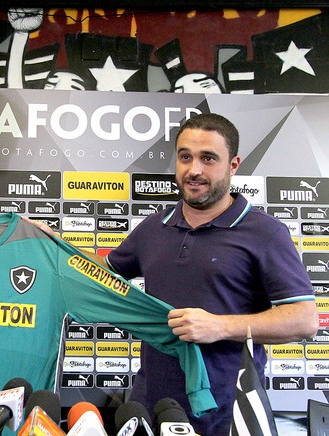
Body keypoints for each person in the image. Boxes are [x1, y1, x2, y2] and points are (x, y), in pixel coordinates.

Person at [27, 112, 318, 435]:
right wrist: (51, 244)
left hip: (225, 412)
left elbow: (303, 320)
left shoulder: (265, 232)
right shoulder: (156, 226)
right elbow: (100, 274)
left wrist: (219, 326)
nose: (194, 170)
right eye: (185, 157)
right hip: (150, 405)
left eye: (208, 158)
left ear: (233, 165)